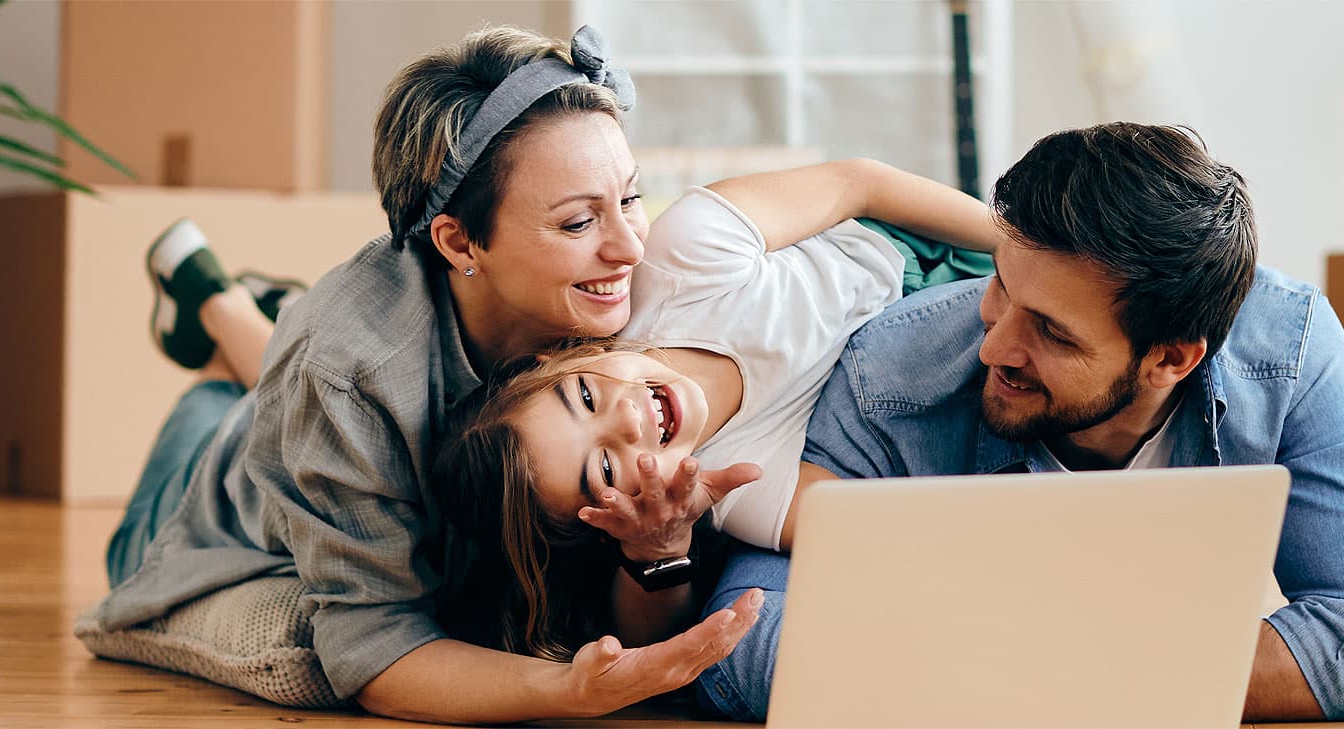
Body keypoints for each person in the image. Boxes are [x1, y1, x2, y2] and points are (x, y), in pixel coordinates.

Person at [90, 24, 799, 723]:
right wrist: (569, 691)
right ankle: (215, 304)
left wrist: (658, 554)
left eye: (632, 198)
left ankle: (249, 315)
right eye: (577, 223)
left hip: (331, 392)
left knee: (299, 376)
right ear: (459, 242)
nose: (630, 247)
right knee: (208, 430)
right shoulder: (346, 370)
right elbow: (374, 650)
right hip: (228, 489)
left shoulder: (624, 290)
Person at [692, 122, 1344, 722]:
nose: (995, 347)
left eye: (1051, 331)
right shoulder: (890, 374)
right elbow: (742, 646)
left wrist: (997, 664)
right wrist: (1115, 668)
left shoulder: (1290, 353)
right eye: (1000, 286)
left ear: (1170, 358)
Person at [426, 159, 1006, 662]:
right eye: (603, 467)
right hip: (947, 366)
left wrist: (1017, 246)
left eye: (584, 397)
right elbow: (891, 525)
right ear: (615, 520)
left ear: (561, 356)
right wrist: (661, 547)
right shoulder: (733, 488)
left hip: (927, 246)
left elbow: (862, 184)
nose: (627, 421)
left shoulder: (680, 258)